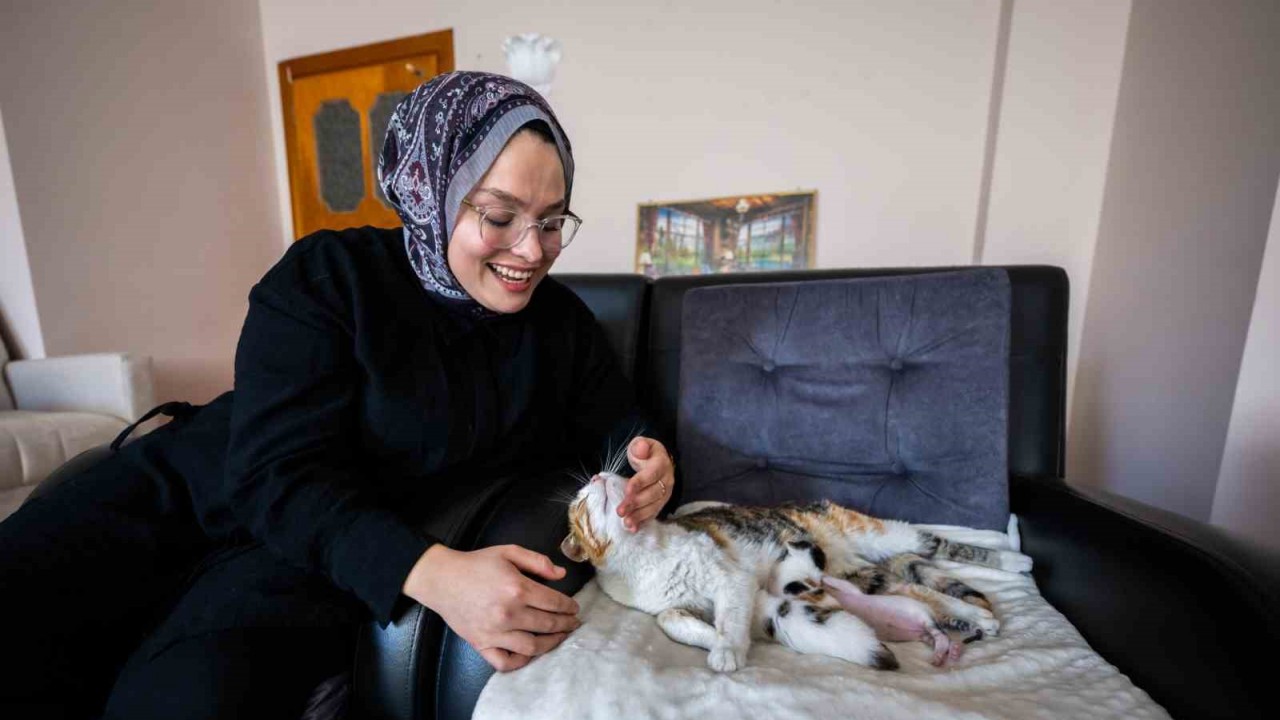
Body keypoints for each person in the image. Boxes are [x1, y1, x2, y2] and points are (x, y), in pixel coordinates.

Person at [0, 71, 674, 719]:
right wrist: (436, 574)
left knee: (185, 695)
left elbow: (619, 427)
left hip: (314, 551)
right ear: (431, 192)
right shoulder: (329, 275)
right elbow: (271, 473)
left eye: (552, 222)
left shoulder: (560, 326)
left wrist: (650, 461)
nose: (531, 251)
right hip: (186, 495)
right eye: (500, 216)